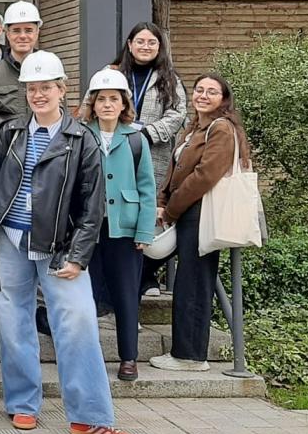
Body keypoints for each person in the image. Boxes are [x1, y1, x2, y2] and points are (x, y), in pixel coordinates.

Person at [0, 51, 135, 434]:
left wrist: (78, 256)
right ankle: (23, 403)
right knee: (13, 324)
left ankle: (90, 416)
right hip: (8, 241)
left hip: (59, 248)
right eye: (32, 88)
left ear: (62, 90)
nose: (38, 94)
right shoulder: (10, 132)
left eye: (46, 87)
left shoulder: (83, 139)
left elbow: (93, 207)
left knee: (77, 323)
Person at [152, 74, 249, 373]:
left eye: (212, 92)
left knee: (194, 283)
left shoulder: (222, 129)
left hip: (200, 211)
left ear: (224, 99)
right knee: (187, 281)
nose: (203, 95)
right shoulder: (193, 127)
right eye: (199, 90)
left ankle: (191, 356)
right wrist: (163, 200)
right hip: (187, 211)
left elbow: (206, 175)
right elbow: (175, 168)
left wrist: (173, 208)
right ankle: (187, 352)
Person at [78, 69, 157, 381]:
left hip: (124, 228)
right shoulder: (83, 135)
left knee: (126, 295)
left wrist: (144, 231)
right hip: (89, 228)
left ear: (124, 104)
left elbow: (147, 187)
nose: (108, 105)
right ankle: (89, 356)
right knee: (88, 296)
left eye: (114, 99)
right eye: (101, 99)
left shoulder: (136, 139)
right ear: (93, 104)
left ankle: (129, 357)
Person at [113, 23, 189, 297]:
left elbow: (178, 114)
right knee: (121, 211)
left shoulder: (169, 79)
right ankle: (123, 278)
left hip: (152, 154)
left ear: (160, 47)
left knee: (150, 213)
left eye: (152, 43)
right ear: (130, 44)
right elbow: (97, 104)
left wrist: (146, 134)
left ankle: (146, 275)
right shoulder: (114, 74)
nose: (145, 47)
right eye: (140, 41)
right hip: (118, 152)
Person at [0, 1, 43, 123]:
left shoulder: (51, 71)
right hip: (4, 141)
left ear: (37, 33)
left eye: (28, 30)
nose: (23, 36)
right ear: (7, 33)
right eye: (16, 30)